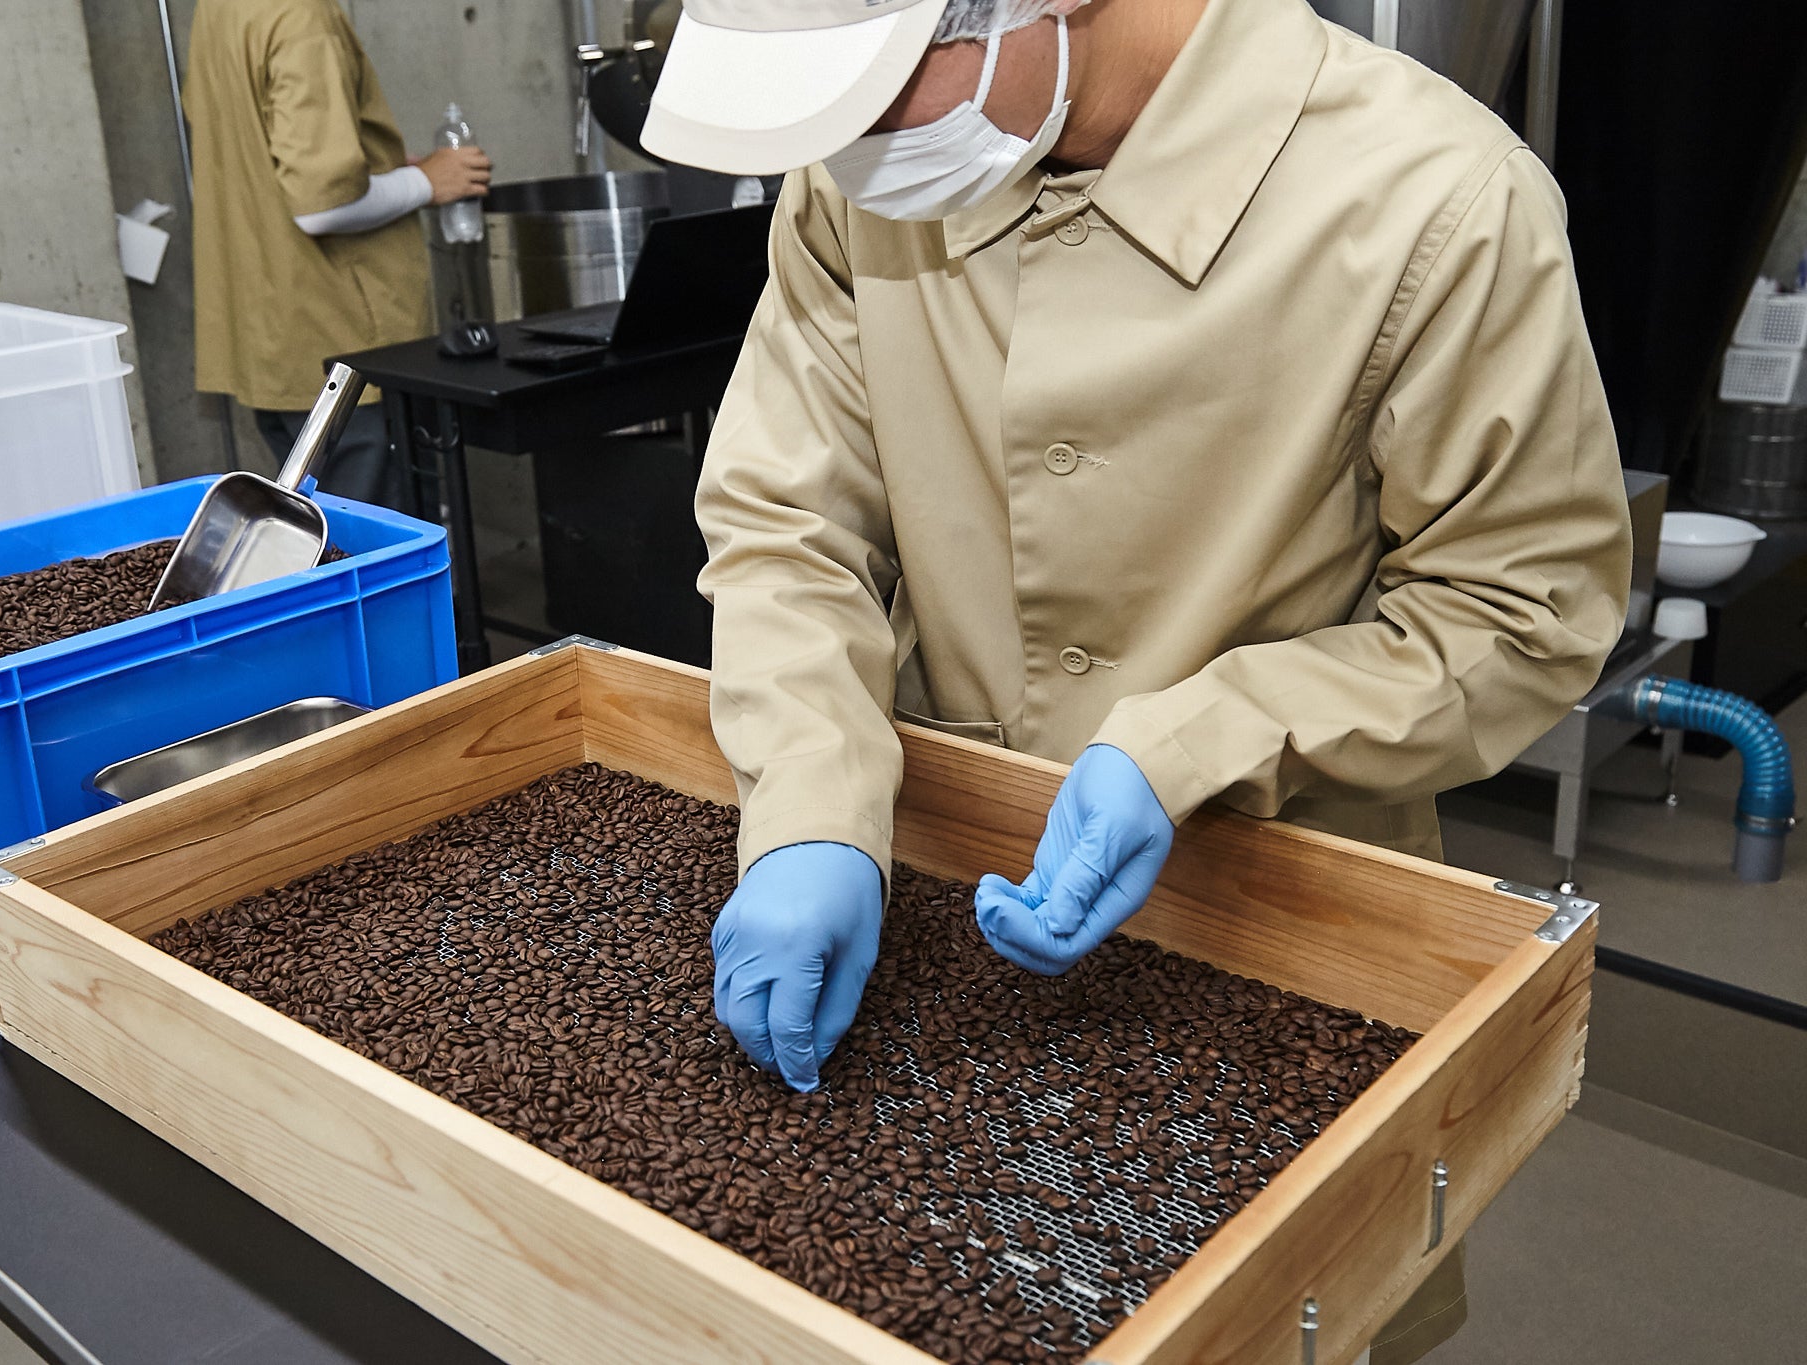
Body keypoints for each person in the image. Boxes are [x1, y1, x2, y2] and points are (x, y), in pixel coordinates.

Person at [642, 1, 1632, 1360]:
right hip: (945, 923)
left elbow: (1519, 611)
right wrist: (812, 804)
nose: (849, 151)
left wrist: (1204, 737)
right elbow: (786, 525)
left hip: (1274, 920)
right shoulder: (864, 179)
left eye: (877, 95)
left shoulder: (1434, 197)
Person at [184, 0, 491, 510]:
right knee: (380, 544)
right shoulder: (302, 16)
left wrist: (373, 165)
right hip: (345, 347)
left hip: (275, 339)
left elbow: (260, 149)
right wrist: (424, 182)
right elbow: (321, 208)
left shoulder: (222, 9)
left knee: (322, 534)